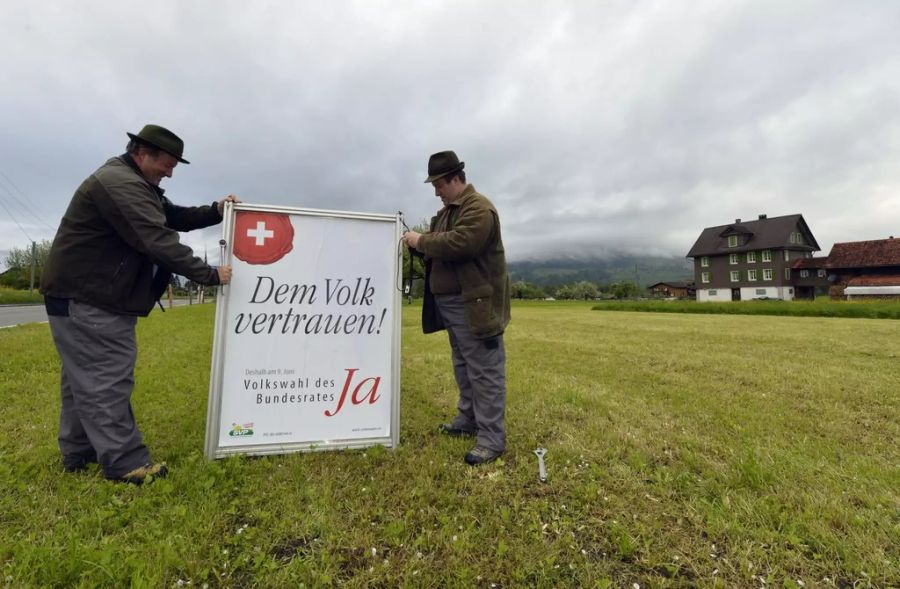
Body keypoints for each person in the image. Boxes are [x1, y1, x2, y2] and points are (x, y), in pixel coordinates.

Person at [40, 124, 239, 484]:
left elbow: (173, 216)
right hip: (91, 299)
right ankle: (124, 462)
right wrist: (210, 274)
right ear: (142, 152)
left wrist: (216, 210)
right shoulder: (121, 184)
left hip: (81, 295)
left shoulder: (135, 183)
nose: (170, 171)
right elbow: (157, 240)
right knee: (106, 377)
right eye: (167, 163)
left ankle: (78, 451)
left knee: (81, 379)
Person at [403, 151, 511, 465]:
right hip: (454, 304)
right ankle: (468, 419)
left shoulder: (478, 208)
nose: (436, 191)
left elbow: (463, 243)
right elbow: (443, 247)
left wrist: (421, 241)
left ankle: (491, 439)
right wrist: (422, 247)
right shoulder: (449, 210)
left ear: (455, 178)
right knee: (464, 365)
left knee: (485, 370)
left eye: (438, 184)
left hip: (474, 305)